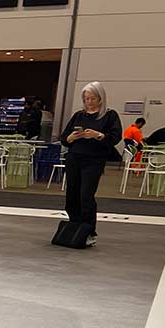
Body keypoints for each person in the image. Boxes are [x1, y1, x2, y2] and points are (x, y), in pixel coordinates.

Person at [60, 81, 122, 247]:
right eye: (86, 99)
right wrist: (71, 138)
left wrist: (98, 135)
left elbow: (115, 138)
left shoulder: (110, 116)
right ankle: (75, 226)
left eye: (93, 98)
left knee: (86, 195)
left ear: (100, 98)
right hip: (74, 158)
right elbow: (64, 138)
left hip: (94, 160)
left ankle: (89, 230)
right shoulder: (79, 115)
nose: (89, 102)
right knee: (72, 195)